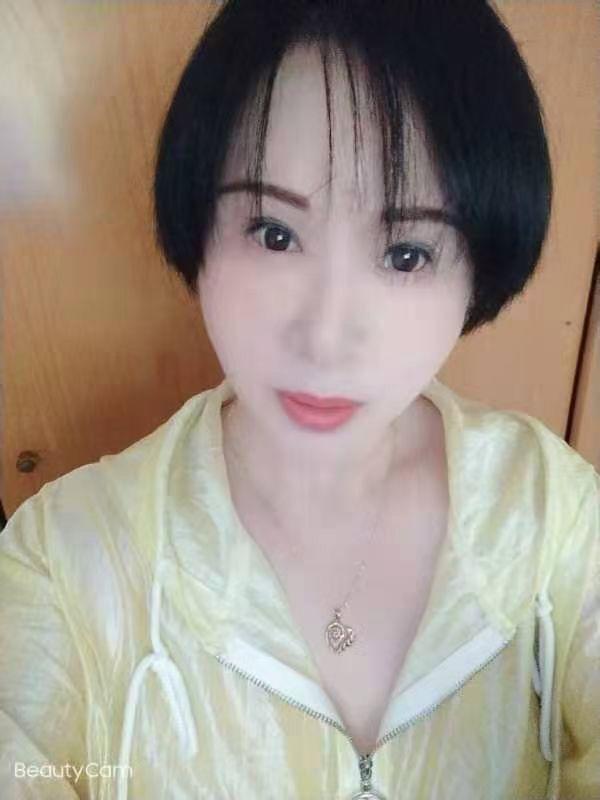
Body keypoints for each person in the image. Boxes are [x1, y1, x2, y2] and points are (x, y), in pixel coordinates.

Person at [1, 1, 598, 798]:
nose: (324, 338)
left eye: (406, 253)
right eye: (274, 234)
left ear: (479, 266)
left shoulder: (551, 514)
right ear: (197, 224)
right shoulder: (67, 559)